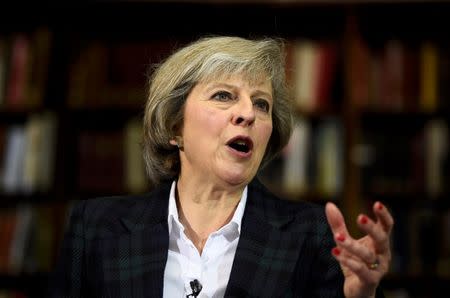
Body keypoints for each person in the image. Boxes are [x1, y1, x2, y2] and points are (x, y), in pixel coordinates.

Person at [49, 36, 393, 298]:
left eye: (261, 103)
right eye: (223, 96)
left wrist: (360, 296)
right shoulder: (96, 228)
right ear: (174, 126)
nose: (247, 113)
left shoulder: (310, 234)